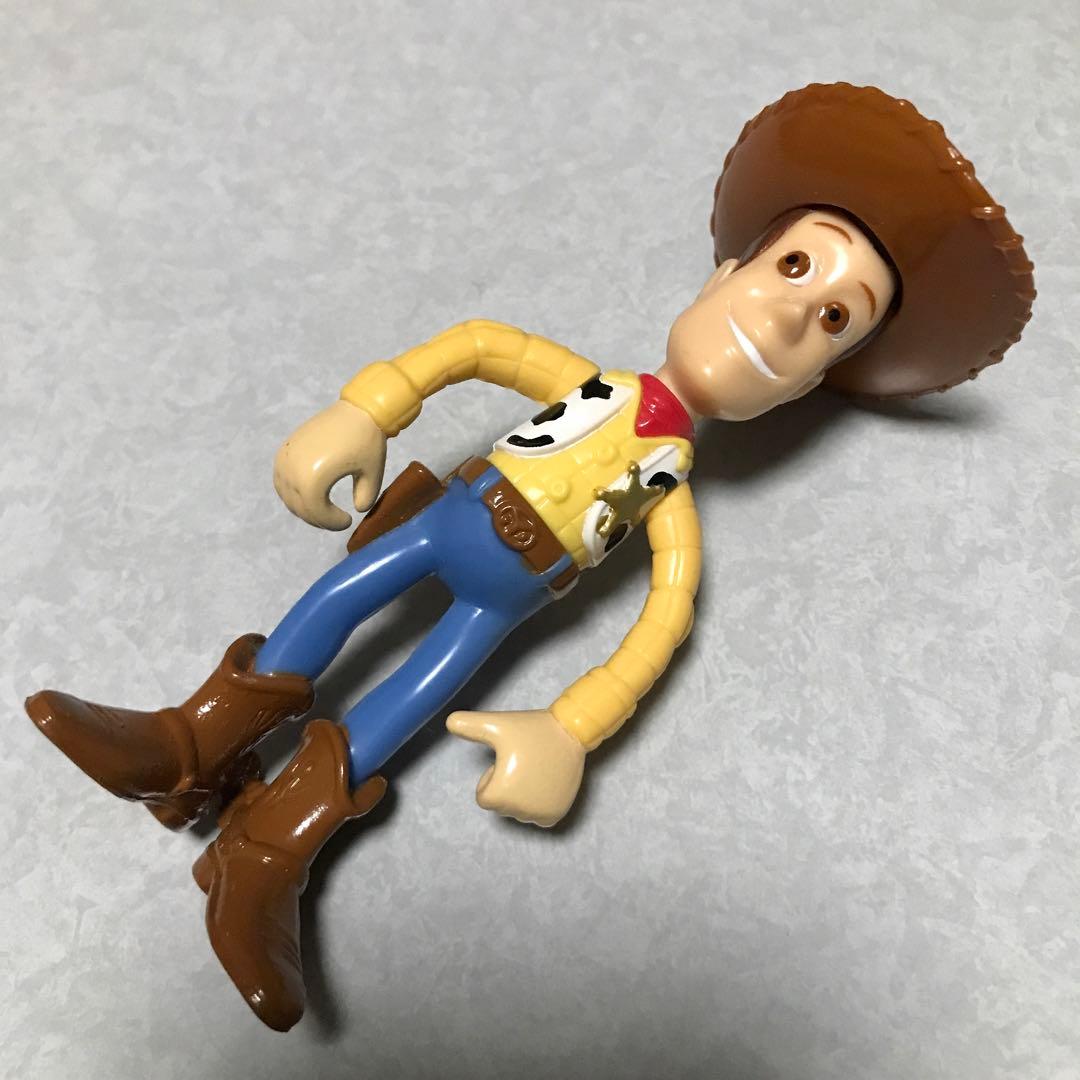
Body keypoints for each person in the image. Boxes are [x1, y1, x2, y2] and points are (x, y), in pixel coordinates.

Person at [24, 83, 1034, 1031]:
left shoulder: (672, 503)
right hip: (447, 524)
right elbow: (474, 346)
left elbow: (664, 619)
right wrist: (364, 412)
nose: (787, 315)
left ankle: (265, 857)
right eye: (796, 269)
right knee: (335, 599)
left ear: (811, 385)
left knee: (399, 710)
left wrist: (570, 729)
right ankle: (188, 746)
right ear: (726, 273)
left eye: (833, 322)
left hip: (495, 611)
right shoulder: (584, 381)